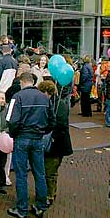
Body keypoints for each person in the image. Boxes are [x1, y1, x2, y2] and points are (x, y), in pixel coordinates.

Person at [7, 72, 54, 218]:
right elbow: (52, 120)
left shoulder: (18, 97)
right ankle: (40, 206)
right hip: (37, 138)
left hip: (22, 138)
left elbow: (11, 120)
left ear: (22, 82)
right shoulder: (44, 98)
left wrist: (14, 134)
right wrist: (41, 131)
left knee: (21, 174)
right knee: (39, 173)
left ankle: (22, 208)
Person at [38, 79, 73, 207]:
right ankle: (48, 192)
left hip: (55, 143)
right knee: (48, 170)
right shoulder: (50, 103)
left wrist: (50, 135)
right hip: (50, 142)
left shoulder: (59, 105)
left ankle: (49, 195)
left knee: (50, 170)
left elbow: (61, 124)